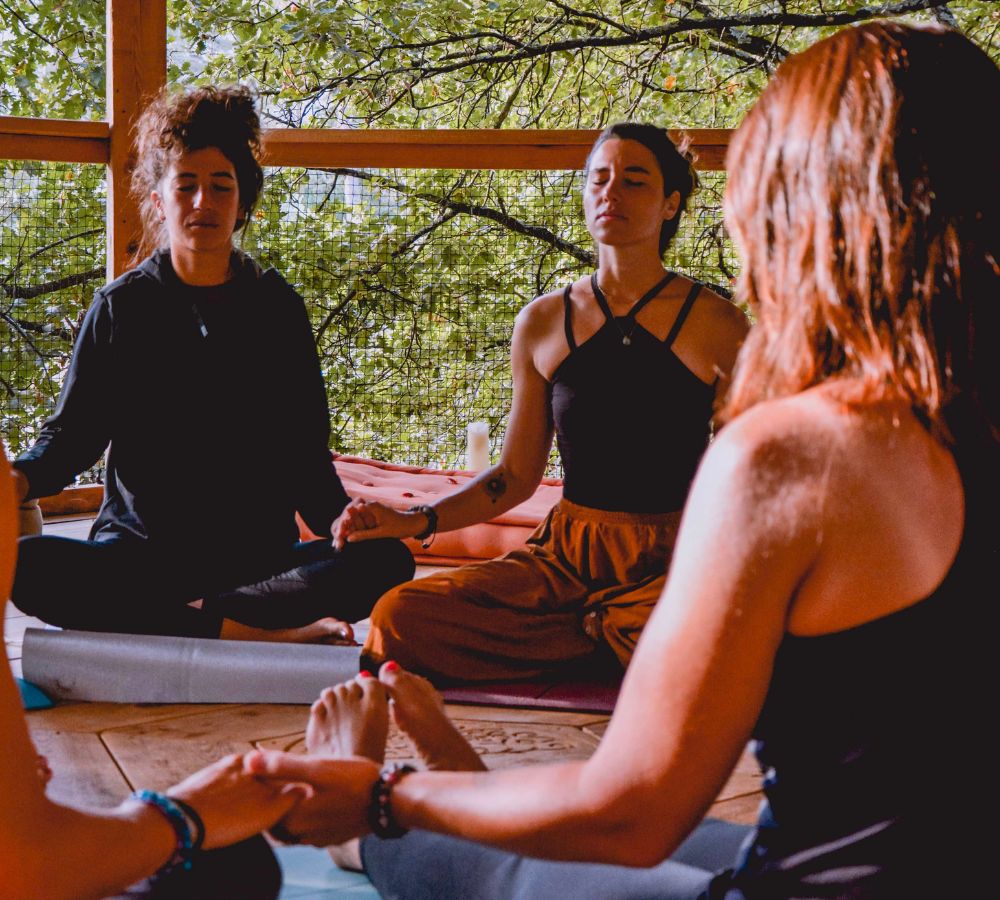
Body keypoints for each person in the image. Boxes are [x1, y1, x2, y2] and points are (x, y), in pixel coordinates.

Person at [247, 21, 1000, 898]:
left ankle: (370, 832)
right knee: (718, 829)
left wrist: (386, 791)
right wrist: (415, 523)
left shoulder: (791, 449)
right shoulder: (956, 417)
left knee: (506, 859)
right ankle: (467, 781)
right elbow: (514, 479)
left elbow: (632, 816)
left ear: (800, 206)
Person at [338, 122, 748, 682]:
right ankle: (607, 637)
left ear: (670, 202)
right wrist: (412, 520)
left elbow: (748, 478)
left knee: (740, 625)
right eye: (599, 179)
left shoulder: (718, 324)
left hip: (673, 560)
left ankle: (607, 635)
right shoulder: (542, 322)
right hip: (565, 559)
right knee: (401, 616)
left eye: (634, 180)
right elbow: (513, 476)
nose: (612, 193)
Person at [9, 86, 414, 643]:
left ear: (243, 204)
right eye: (186, 185)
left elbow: (305, 458)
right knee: (27, 565)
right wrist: (19, 477)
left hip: (255, 563)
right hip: (140, 554)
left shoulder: (277, 307)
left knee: (385, 560)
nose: (203, 202)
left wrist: (344, 521)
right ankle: (255, 634)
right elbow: (73, 437)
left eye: (221, 187)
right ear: (159, 200)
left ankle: (198, 621)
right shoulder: (121, 307)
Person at [2, 444, 305, 898]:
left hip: (239, 570)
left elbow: (324, 509)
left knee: (381, 560)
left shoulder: (277, 392)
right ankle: (241, 629)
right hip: (141, 564)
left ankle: (214, 618)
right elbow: (30, 868)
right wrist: (183, 816)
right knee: (238, 865)